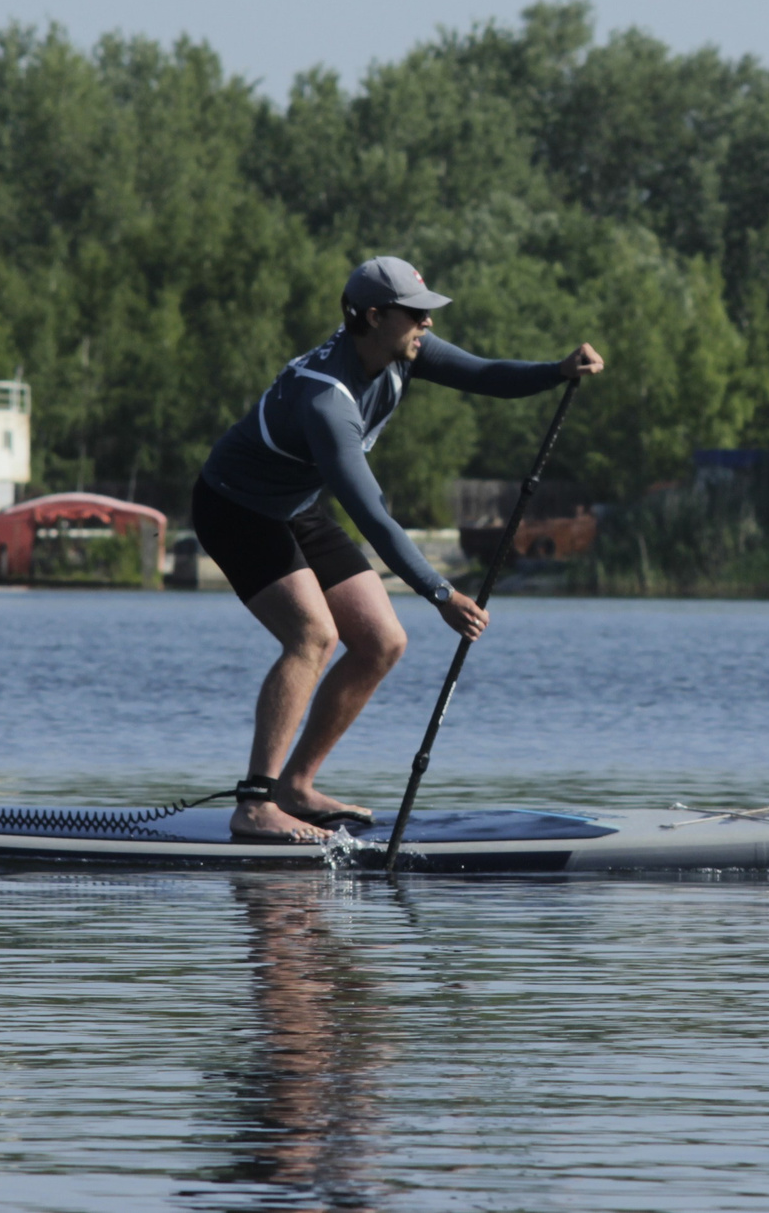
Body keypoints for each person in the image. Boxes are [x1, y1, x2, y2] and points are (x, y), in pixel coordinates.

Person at [192, 256, 604, 842]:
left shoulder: (404, 351)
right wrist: (441, 593)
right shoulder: (326, 401)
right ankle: (255, 804)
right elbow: (374, 519)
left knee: (383, 642)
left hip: (295, 505)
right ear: (374, 317)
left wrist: (557, 370)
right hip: (235, 509)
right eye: (416, 314)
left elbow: (486, 375)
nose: (427, 324)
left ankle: (296, 787)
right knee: (312, 637)